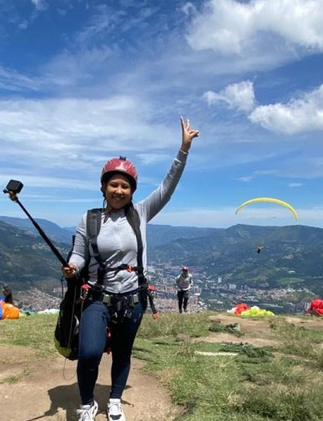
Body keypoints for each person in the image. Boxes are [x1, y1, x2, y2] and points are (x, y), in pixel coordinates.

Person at [61, 116, 199, 421]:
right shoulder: (89, 219)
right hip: (98, 297)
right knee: (89, 353)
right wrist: (72, 266)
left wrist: (183, 150)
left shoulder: (141, 213)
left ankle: (114, 399)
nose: (119, 190)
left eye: (125, 185)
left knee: (123, 353)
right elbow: (80, 254)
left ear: (132, 190)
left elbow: (167, 186)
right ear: (103, 187)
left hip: (133, 298)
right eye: (114, 184)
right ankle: (87, 403)